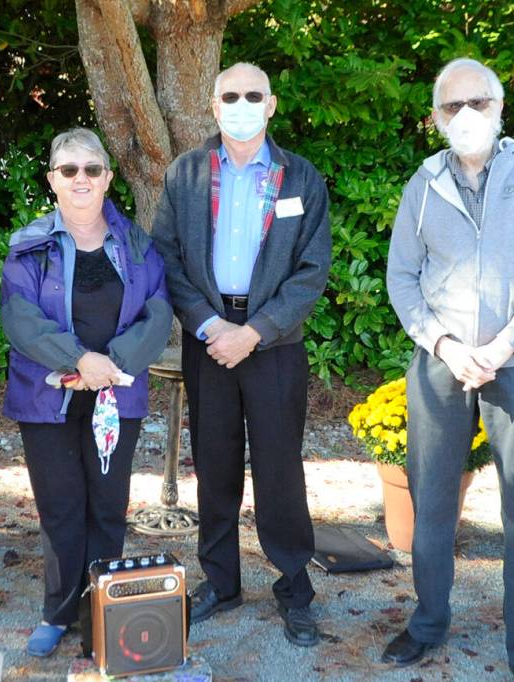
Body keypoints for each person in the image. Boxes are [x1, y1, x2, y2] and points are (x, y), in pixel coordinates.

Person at [384, 58, 514, 681]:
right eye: (452, 106)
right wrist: (442, 344)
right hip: (442, 364)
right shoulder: (423, 184)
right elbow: (401, 277)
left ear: (499, 107)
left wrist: (506, 346)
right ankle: (427, 624)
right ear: (436, 117)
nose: (466, 114)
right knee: (431, 500)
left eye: (478, 103)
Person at [152, 63, 331, 647]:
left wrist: (253, 332)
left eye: (254, 95)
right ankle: (222, 582)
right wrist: (210, 327)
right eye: (230, 95)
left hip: (274, 342)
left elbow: (312, 271)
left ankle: (294, 588)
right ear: (214, 105)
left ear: (271, 105)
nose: (242, 104)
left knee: (280, 468)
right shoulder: (185, 174)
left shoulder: (300, 177)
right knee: (214, 464)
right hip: (207, 339)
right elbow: (165, 258)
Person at [0, 128, 172, 658]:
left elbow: (158, 312)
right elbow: (20, 318)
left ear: (107, 178)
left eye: (91, 169)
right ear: (52, 179)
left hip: (115, 394)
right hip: (47, 395)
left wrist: (110, 365)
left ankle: (101, 609)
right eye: (69, 169)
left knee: (107, 505)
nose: (81, 179)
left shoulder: (138, 245)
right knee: (60, 507)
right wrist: (79, 360)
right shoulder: (29, 245)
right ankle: (57, 612)